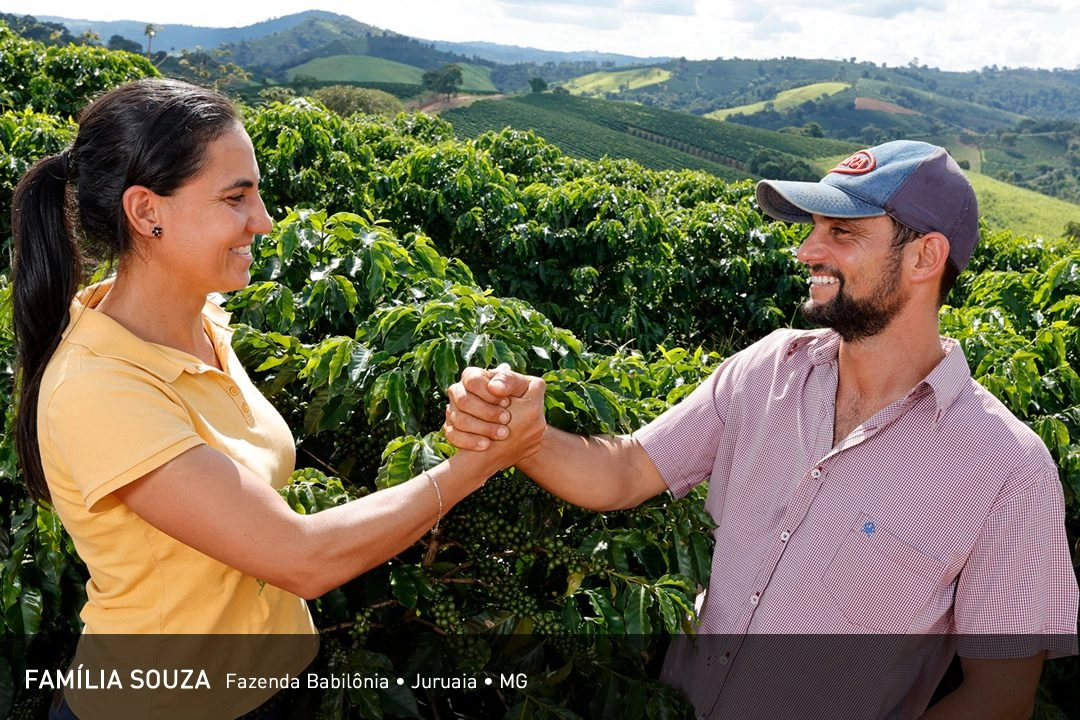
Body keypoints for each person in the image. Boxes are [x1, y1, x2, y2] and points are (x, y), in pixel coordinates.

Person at [443, 140, 1079, 718]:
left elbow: (998, 697)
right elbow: (628, 468)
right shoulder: (770, 367)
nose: (807, 250)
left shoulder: (1007, 470)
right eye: (810, 228)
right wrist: (524, 435)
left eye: (842, 231)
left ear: (925, 257)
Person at [10, 77, 545, 719]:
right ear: (147, 211)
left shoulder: (202, 322)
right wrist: (477, 463)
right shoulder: (99, 387)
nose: (262, 221)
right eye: (236, 198)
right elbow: (301, 558)